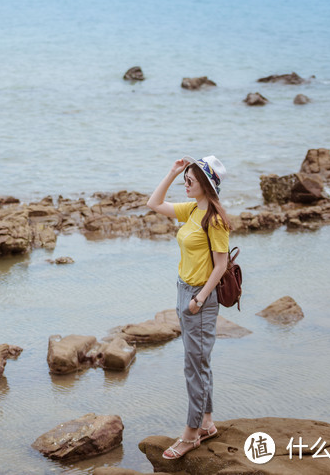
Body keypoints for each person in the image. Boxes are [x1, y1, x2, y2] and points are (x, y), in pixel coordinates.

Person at [146, 155, 230, 460]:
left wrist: (198, 300)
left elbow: (220, 266)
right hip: (184, 292)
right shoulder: (193, 210)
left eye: (190, 181)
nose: (186, 185)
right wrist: (171, 172)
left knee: (194, 366)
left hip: (200, 299)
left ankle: (191, 435)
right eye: (185, 180)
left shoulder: (215, 219)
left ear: (205, 184)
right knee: (198, 363)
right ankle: (207, 423)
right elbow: (154, 203)